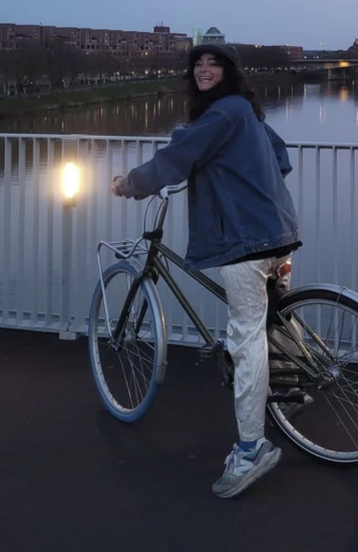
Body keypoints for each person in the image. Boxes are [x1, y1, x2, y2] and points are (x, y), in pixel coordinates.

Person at [111, 42, 301, 498]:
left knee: (245, 337)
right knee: (275, 313)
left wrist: (128, 185)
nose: (203, 69)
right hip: (277, 228)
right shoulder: (246, 112)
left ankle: (253, 449)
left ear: (228, 71)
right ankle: (296, 388)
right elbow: (281, 159)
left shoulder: (218, 116)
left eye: (213, 63)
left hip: (242, 239)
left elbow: (173, 161)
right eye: (198, 62)